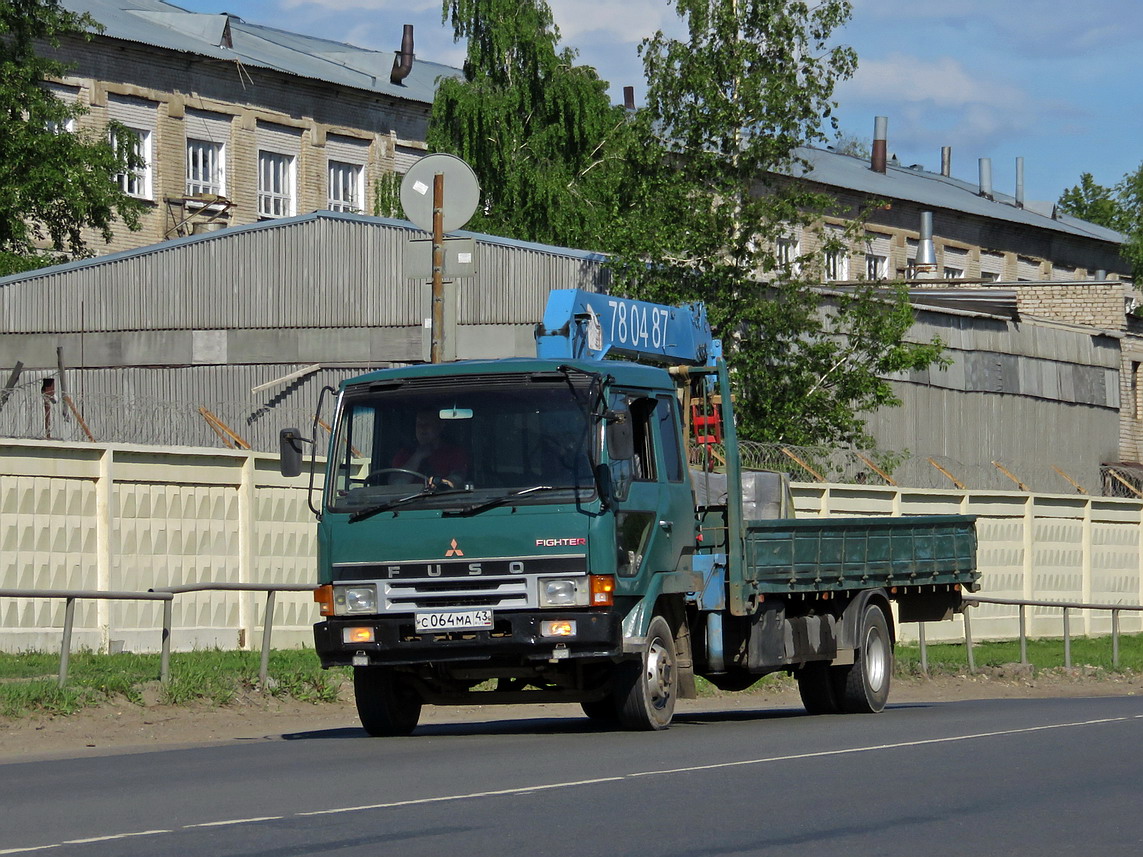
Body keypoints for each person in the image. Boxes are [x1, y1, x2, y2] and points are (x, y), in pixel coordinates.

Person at [391, 410, 469, 488]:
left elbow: (458, 478)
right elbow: (396, 485)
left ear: (440, 426)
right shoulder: (404, 455)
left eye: (427, 424)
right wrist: (417, 457)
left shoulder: (454, 453)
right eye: (419, 424)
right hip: (410, 499)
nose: (422, 428)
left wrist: (444, 483)